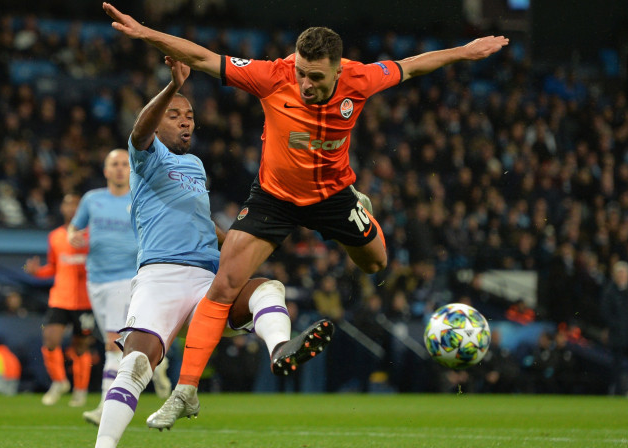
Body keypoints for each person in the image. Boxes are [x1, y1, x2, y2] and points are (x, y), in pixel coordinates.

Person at [102, 1, 508, 418]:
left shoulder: (361, 78)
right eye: (301, 72)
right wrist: (145, 32)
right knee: (224, 284)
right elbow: (204, 56)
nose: (306, 83)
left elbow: (413, 65)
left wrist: (465, 50)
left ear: (338, 70)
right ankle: (185, 392)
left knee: (375, 264)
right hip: (274, 198)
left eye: (316, 77)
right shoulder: (272, 75)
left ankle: (360, 207)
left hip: (333, 196)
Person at [93, 57, 331, 447]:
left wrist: (246, 239)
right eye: (174, 115)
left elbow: (206, 225)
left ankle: (280, 349)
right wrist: (171, 86)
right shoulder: (146, 158)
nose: (186, 121)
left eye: (189, 115)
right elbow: (138, 131)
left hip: (209, 279)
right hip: (161, 276)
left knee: (268, 289)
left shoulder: (197, 166)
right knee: (136, 365)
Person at [67, 149, 170, 426]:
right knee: (116, 342)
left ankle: (105, 406)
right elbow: (73, 229)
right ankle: (155, 362)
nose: (120, 168)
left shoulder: (140, 198)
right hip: (95, 279)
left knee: (112, 343)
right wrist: (74, 236)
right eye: (114, 164)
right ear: (106, 170)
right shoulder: (92, 199)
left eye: (125, 163)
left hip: (125, 278)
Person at [24, 193, 94, 407]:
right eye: (67, 204)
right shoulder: (55, 236)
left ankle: (80, 390)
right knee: (50, 340)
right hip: (60, 298)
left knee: (80, 348)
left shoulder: (93, 234)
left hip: (86, 300)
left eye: (75, 204)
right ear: (62, 209)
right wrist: (37, 272)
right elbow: (53, 267)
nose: (71, 208)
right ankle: (59, 381)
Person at [600, 261, 628, 399]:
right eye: (619, 273)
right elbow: (605, 313)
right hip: (617, 336)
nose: (622, 276)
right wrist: (616, 326)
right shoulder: (610, 291)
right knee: (617, 366)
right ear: (614, 275)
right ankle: (619, 391)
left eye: (623, 273)